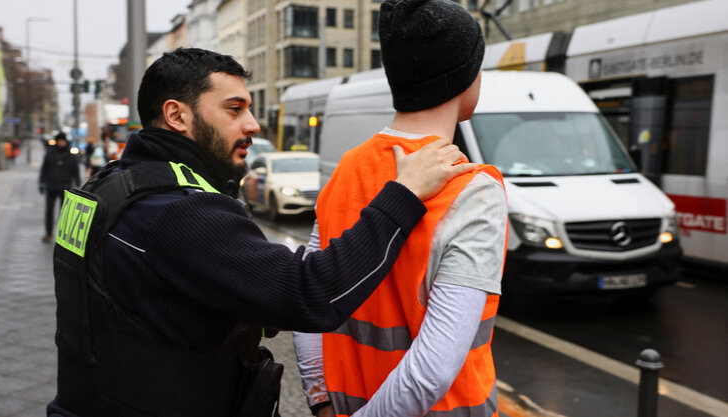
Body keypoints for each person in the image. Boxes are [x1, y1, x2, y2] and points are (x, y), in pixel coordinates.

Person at [46, 47, 475, 417]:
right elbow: (310, 295)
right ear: (176, 115)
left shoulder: (107, 186)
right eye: (234, 110)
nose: (252, 124)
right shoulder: (177, 210)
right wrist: (403, 194)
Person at [292, 1, 509, 416]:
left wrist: (320, 399)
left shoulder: (347, 169)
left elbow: (306, 299)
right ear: (466, 76)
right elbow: (433, 369)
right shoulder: (473, 189)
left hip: (342, 404)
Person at [38, 132, 79, 242]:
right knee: (49, 211)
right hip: (51, 186)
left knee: (65, 213)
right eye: (59, 140)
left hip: (66, 187)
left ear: (65, 141)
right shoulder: (50, 153)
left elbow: (76, 171)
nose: (61, 143)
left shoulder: (71, 155)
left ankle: (63, 235)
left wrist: (78, 185)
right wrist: (41, 182)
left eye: (63, 141)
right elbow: (44, 168)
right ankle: (48, 233)